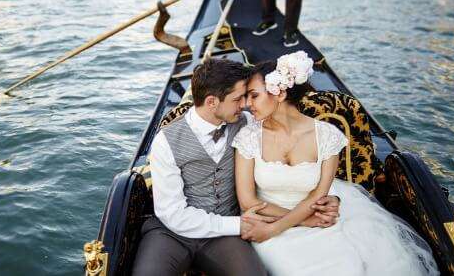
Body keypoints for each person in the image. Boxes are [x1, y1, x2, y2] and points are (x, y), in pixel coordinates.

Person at [232, 51, 440, 275]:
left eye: (254, 96)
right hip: (269, 222)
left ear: (280, 93)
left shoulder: (328, 136)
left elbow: (317, 196)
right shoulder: (249, 136)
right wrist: (297, 223)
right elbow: (247, 201)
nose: (247, 104)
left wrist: (281, 226)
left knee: (348, 266)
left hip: (315, 219)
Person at [132, 58, 340, 276]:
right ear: (212, 102)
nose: (245, 105)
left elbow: (297, 159)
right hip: (171, 233)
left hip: (224, 237)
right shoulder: (165, 142)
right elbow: (172, 213)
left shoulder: (248, 124)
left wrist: (329, 197)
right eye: (238, 98)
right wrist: (238, 225)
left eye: (248, 97)